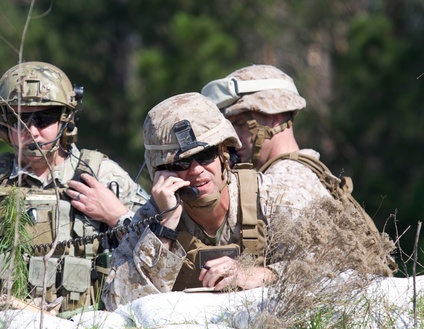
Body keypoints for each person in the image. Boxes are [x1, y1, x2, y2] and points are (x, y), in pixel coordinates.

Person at [0, 61, 148, 312]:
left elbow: (157, 267)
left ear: (65, 120)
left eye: (43, 118)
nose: (31, 131)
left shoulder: (104, 177)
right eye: (19, 118)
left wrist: (118, 217)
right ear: (3, 124)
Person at [102, 92, 298, 311]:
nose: (196, 170)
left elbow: (329, 265)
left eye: (206, 155)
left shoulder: (270, 197)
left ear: (224, 153)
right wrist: (166, 226)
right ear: (162, 171)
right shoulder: (152, 219)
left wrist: (258, 274)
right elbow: (118, 303)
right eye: (181, 162)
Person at [202, 64, 393, 262]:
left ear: (274, 117)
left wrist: (255, 276)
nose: (233, 138)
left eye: (240, 124)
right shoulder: (304, 170)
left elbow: (313, 268)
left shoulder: (286, 183)